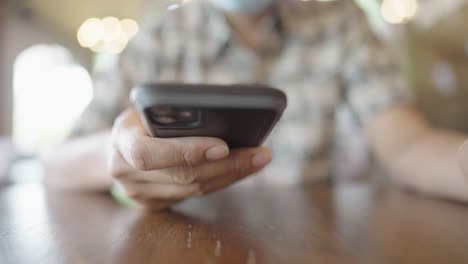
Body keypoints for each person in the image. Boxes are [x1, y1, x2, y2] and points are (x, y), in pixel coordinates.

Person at [42, 0, 468, 210]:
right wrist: (112, 154)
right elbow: (56, 163)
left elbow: (408, 145)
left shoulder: (341, 21)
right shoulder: (156, 37)